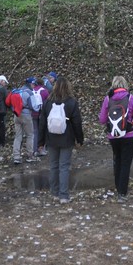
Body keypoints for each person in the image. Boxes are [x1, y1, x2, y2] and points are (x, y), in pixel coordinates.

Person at [98, 76, 133, 202]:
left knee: (117, 160)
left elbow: (102, 120)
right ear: (125, 85)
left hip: (113, 136)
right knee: (126, 163)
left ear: (113, 85)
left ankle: (118, 187)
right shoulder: (131, 98)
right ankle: (122, 193)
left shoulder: (108, 99)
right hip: (128, 134)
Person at [38, 74, 84, 202]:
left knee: (53, 165)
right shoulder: (71, 102)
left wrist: (40, 141)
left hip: (51, 138)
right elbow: (77, 123)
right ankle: (63, 195)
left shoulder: (48, 102)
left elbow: (42, 123)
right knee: (64, 166)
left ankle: (54, 192)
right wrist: (79, 139)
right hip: (66, 139)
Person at [7, 77, 35, 163]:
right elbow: (32, 106)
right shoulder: (29, 93)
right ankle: (30, 156)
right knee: (30, 135)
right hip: (26, 116)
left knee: (18, 136)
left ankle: (16, 157)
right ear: (30, 84)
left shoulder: (16, 91)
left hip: (16, 115)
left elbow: (9, 103)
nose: (34, 86)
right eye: (33, 84)